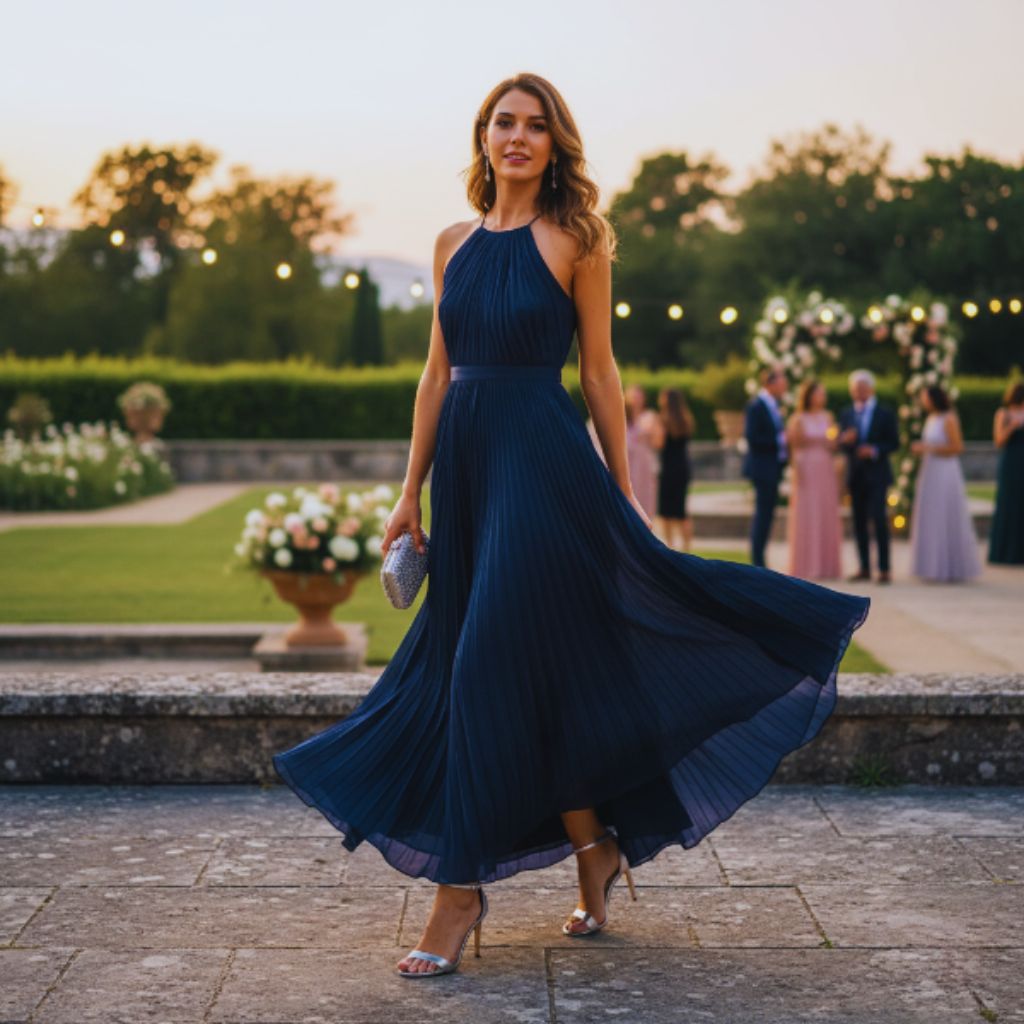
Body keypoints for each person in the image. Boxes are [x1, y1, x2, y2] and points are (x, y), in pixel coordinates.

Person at [271, 72, 870, 980]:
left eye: (535, 126)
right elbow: (437, 376)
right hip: (470, 475)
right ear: (483, 138)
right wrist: (408, 492)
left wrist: (623, 497)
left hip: (544, 472)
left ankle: (458, 893)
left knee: (482, 669)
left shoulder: (578, 238)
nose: (518, 137)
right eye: (503, 124)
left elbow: (599, 373)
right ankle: (595, 847)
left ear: (555, 145)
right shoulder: (451, 245)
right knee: (531, 673)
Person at [909, 385, 982, 581]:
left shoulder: (949, 418)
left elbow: (957, 447)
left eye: (925, 397)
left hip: (945, 471)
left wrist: (928, 448)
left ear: (934, 398)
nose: (924, 402)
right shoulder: (930, 419)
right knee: (931, 515)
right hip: (930, 471)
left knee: (945, 514)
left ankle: (950, 566)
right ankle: (932, 566)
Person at [838, 369, 899, 584]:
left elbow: (894, 443)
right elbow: (841, 445)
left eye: (862, 389)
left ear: (871, 389)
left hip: (877, 475)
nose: (858, 393)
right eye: (854, 390)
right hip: (855, 476)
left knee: (879, 520)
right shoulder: (846, 414)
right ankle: (864, 566)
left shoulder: (885, 413)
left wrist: (873, 450)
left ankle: (884, 568)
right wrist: (845, 440)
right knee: (858, 523)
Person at [785, 379, 842, 580]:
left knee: (825, 511)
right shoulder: (798, 418)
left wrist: (836, 440)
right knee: (808, 511)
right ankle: (806, 564)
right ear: (809, 395)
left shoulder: (828, 416)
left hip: (825, 466)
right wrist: (797, 471)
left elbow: (833, 443)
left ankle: (827, 565)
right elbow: (794, 446)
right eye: (819, 393)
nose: (822, 397)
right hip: (807, 466)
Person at [742, 366, 789, 568]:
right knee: (763, 513)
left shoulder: (774, 406)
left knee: (768, 512)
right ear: (770, 384)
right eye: (781, 381)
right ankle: (757, 559)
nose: (784, 386)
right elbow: (753, 437)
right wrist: (780, 441)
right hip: (762, 468)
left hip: (772, 467)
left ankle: (760, 557)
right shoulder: (756, 406)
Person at [651, 387, 695, 551]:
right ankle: (687, 547)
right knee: (682, 512)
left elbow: (658, 443)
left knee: (666, 512)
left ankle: (670, 546)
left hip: (668, 469)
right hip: (683, 468)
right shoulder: (686, 419)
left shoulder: (663, 420)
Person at [988, 379, 1024, 565]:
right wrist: (1012, 426)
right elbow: (998, 441)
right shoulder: (1003, 413)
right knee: (1009, 504)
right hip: (1011, 464)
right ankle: (1005, 552)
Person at [624, 383, 659, 518]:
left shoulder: (649, 416)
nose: (636, 400)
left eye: (638, 397)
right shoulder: (620, 416)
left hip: (644, 463)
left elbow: (657, 442)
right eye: (633, 396)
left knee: (645, 497)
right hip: (627, 462)